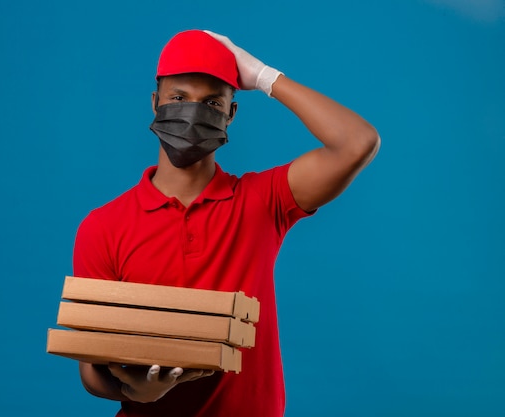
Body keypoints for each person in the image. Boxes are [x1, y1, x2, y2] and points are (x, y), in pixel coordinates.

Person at [72, 29, 380, 417]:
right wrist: (137, 392)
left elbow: (357, 142)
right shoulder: (103, 226)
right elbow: (91, 366)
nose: (192, 112)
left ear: (231, 114)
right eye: (178, 98)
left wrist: (264, 76)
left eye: (212, 102)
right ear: (155, 103)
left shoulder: (263, 201)